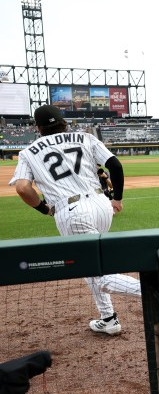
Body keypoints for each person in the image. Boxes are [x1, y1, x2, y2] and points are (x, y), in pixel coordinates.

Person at [9, 105, 142, 336]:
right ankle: (108, 318)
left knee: (97, 273)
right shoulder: (85, 137)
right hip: (102, 206)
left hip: (71, 211)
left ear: (38, 127)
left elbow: (22, 188)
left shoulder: (29, 152)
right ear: (63, 121)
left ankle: (156, 288)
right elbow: (115, 166)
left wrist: (44, 209)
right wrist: (117, 199)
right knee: (91, 265)